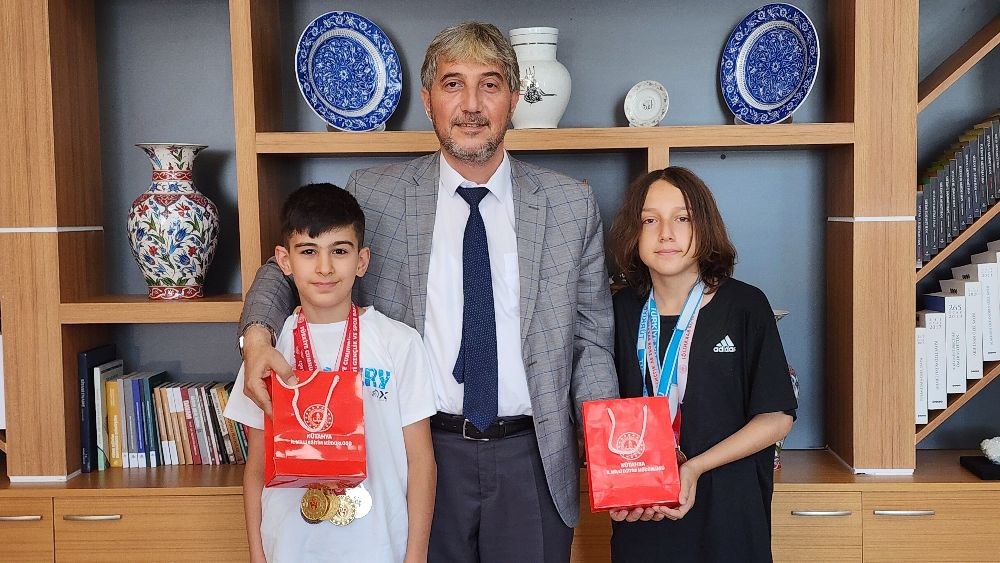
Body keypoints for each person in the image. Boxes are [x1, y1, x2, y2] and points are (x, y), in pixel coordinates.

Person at [237, 22, 618, 563]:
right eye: (452, 84)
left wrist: (613, 453)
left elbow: (591, 342)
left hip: (533, 457)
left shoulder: (569, 204)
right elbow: (291, 267)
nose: (471, 105)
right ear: (428, 99)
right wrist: (257, 336)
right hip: (416, 453)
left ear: (514, 99)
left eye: (489, 85)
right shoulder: (377, 193)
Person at [224, 183, 437, 563]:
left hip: (378, 545)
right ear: (285, 261)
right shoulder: (267, 351)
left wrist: (416, 556)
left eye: (339, 251)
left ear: (362, 260)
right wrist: (258, 554)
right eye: (308, 252)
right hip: (289, 545)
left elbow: (420, 461)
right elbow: (256, 465)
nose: (324, 267)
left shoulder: (399, 342)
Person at [606, 167, 797, 562]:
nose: (666, 233)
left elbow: (777, 418)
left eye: (682, 218)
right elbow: (605, 414)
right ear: (634, 233)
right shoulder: (618, 310)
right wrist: (616, 485)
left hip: (729, 514)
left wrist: (693, 468)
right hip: (645, 511)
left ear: (704, 227)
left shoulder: (745, 306)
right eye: (650, 220)